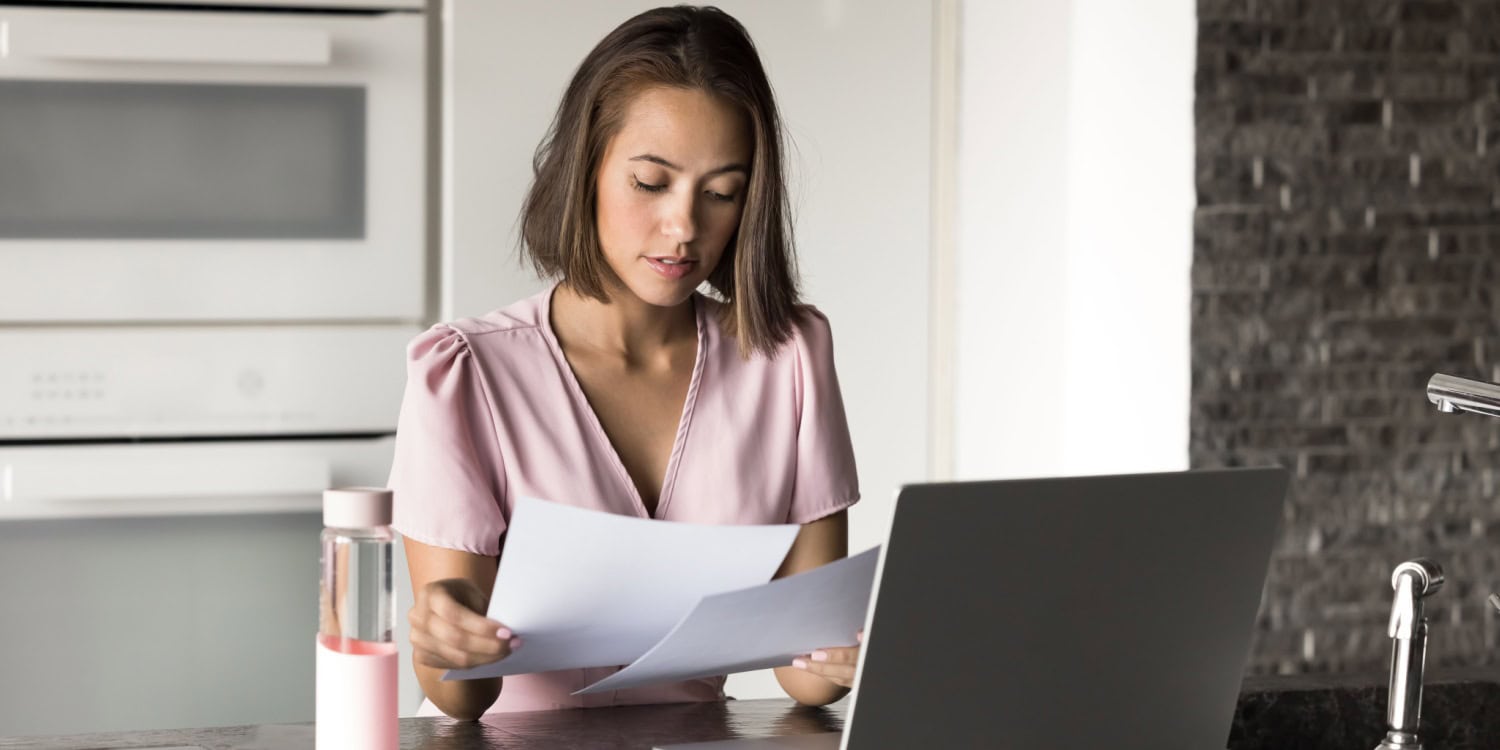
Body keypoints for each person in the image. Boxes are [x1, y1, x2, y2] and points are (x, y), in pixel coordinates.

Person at [388, 5, 861, 720]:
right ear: (587, 169)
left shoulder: (787, 357)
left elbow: (812, 675)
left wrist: (857, 641)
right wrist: (442, 632)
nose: (685, 227)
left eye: (722, 193)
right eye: (650, 182)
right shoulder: (465, 373)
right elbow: (462, 697)